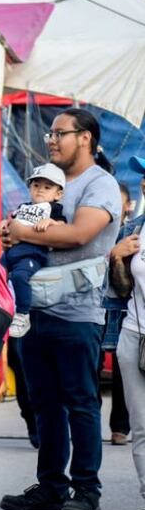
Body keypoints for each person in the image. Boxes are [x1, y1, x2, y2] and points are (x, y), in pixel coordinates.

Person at [0, 109, 121, 510]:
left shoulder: (99, 185)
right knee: (44, 404)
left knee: (81, 403)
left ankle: (87, 489)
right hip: (35, 310)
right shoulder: (47, 182)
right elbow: (21, 224)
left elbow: (79, 233)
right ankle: (52, 485)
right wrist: (10, 229)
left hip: (78, 314)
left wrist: (21, 232)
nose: (51, 139)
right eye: (50, 133)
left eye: (59, 133)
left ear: (85, 138)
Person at [106, 195, 145, 510]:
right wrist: (116, 257)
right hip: (133, 335)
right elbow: (121, 290)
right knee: (142, 427)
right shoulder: (136, 230)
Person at [1, 164, 67, 338]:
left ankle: (23, 314)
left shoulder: (53, 209)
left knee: (19, 277)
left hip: (31, 254)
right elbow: (11, 221)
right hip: (11, 252)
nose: (40, 190)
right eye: (36, 185)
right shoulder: (23, 206)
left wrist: (51, 223)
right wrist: (3, 225)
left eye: (47, 187)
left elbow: (63, 226)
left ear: (58, 194)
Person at [101, 178, 138, 447]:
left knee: (122, 376)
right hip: (112, 315)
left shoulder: (130, 232)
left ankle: (121, 426)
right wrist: (114, 256)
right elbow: (122, 286)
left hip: (122, 314)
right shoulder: (128, 232)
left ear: (128, 205)